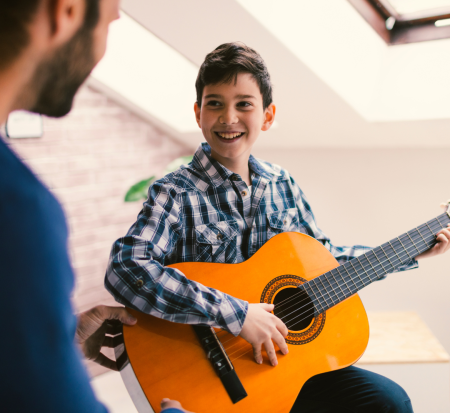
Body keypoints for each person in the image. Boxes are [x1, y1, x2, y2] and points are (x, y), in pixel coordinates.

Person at [106, 42, 450, 412]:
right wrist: (236, 315)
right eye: (215, 103)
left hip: (283, 362)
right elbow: (126, 267)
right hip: (216, 379)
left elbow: (322, 261)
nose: (228, 117)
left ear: (267, 116)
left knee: (390, 403)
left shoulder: (281, 183)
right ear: (198, 113)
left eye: (244, 104)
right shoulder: (175, 192)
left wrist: (413, 250)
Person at [0, 0, 183, 412]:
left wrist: (53, 336)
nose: (102, 47)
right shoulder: (17, 210)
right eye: (109, 21)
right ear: (70, 2)